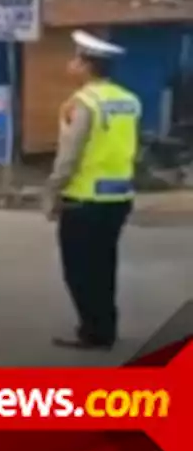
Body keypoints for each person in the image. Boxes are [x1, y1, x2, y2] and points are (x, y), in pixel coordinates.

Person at [44, 30, 140, 351]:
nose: (71, 64)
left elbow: (68, 157)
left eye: (75, 59)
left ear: (86, 66)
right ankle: (106, 326)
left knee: (79, 270)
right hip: (119, 197)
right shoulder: (129, 100)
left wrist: (52, 195)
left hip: (84, 200)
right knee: (105, 265)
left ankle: (93, 332)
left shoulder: (81, 104)